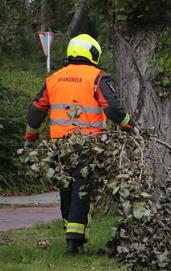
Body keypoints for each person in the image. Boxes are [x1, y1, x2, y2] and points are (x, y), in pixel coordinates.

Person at [24, 34, 138, 255]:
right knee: (82, 190)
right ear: (93, 53)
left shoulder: (53, 79)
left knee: (66, 189)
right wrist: (131, 126)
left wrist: (30, 138)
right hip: (89, 145)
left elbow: (36, 110)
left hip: (59, 146)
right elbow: (112, 109)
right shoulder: (97, 77)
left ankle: (71, 238)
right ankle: (74, 241)